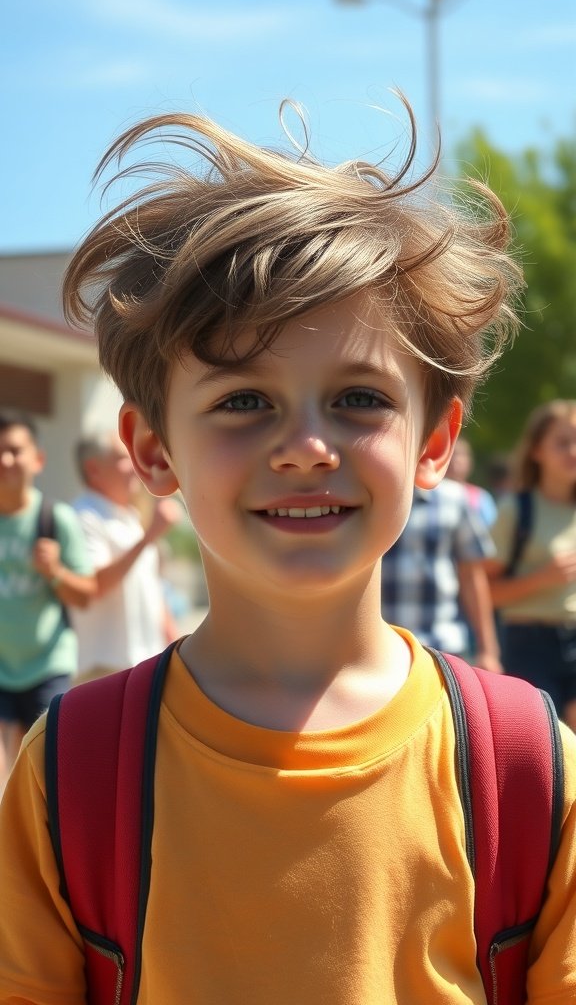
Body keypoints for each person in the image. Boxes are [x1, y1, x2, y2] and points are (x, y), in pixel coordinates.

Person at [0, 98, 575, 1003]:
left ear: (434, 443)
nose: (307, 445)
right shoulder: (74, 768)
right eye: (242, 401)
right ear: (153, 451)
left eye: (358, 399)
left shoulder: (529, 768)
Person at [0, 410, 95, 794]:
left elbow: (85, 595)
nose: (5, 461)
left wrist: (55, 571)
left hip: (46, 665)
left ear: (37, 459)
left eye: (14, 451)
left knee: (46, 777)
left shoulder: (56, 519)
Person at [487, 399, 576, 732]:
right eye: (563, 442)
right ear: (537, 451)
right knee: (542, 737)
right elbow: (487, 593)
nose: (573, 451)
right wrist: (543, 578)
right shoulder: (517, 510)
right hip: (529, 642)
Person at [70, 432, 181, 681]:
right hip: (105, 670)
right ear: (93, 469)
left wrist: (174, 644)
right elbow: (95, 585)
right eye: (123, 458)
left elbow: (151, 589)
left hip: (144, 664)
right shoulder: (81, 517)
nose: (135, 466)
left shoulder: (129, 517)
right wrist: (148, 537)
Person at [381, 477, 502, 671]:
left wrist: (488, 650)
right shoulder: (370, 497)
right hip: (380, 648)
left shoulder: (454, 498)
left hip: (443, 646)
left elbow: (471, 576)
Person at [446, 435, 498, 527]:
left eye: (461, 455)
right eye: (452, 454)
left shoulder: (481, 498)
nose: (456, 460)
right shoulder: (426, 494)